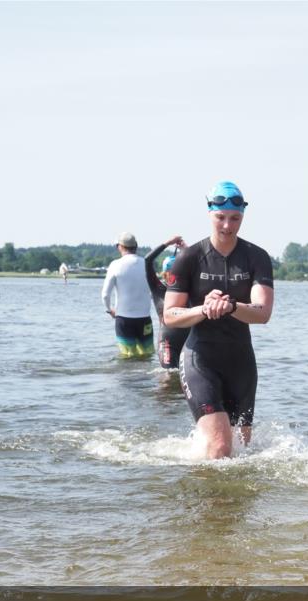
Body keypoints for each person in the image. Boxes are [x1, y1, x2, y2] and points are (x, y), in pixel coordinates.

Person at [163, 181, 274, 459]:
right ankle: (209, 502)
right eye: (220, 217)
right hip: (200, 358)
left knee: (242, 452)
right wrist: (204, 309)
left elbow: (263, 313)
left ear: (242, 216)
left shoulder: (256, 257)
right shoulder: (189, 258)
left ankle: (233, 503)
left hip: (241, 362)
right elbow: (170, 315)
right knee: (221, 447)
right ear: (210, 213)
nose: (227, 225)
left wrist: (230, 306)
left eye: (235, 218)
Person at [102, 232, 155, 358]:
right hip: (145, 318)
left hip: (124, 319)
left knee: (127, 356)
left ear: (120, 247)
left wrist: (109, 310)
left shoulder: (115, 265)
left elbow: (105, 294)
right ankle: (145, 377)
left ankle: (128, 377)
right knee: (147, 354)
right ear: (135, 246)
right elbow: (154, 291)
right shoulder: (147, 264)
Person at [145, 236, 190, 372]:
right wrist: (167, 243)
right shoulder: (158, 289)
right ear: (164, 273)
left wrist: (187, 251)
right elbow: (147, 260)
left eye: (178, 272)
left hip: (189, 342)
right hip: (167, 343)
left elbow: (203, 265)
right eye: (171, 273)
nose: (174, 276)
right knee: (168, 379)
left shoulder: (190, 289)